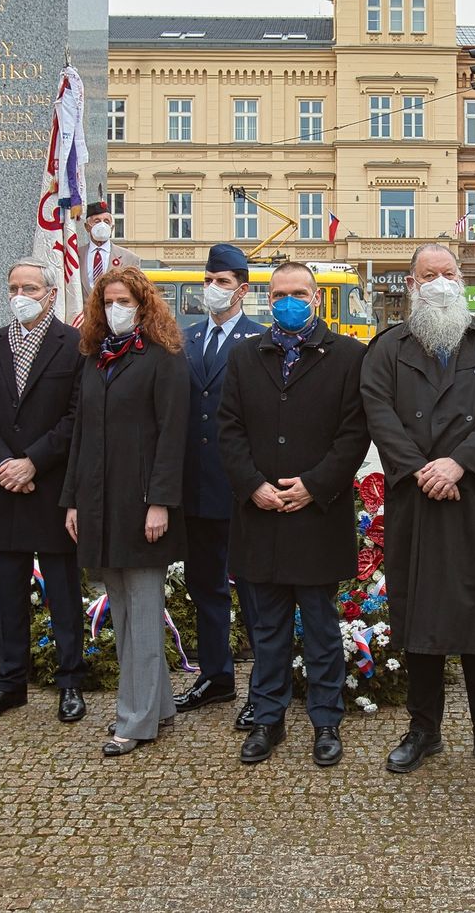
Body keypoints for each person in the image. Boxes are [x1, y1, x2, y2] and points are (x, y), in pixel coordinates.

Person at [361, 243, 475, 781]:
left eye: (448, 273)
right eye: (428, 274)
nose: (439, 282)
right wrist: (422, 470)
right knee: (419, 618)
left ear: (462, 281)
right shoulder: (388, 348)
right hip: (415, 500)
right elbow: (378, 411)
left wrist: (457, 465)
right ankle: (423, 730)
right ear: (411, 284)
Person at [218, 262, 371, 766]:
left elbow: (354, 434)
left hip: (316, 516)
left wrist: (315, 485)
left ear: (317, 299)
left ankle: (327, 720)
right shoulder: (245, 356)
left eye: (299, 293)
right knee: (266, 629)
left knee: (322, 627)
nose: (289, 301)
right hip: (260, 514)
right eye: (280, 293)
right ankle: (267, 718)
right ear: (267, 299)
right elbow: (230, 430)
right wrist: (252, 486)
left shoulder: (349, 355)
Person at [61, 266, 189, 757]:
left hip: (142, 506)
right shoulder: (95, 360)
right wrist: (71, 499)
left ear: (143, 306)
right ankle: (156, 706)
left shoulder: (165, 358)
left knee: (141, 610)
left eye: (125, 302)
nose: (116, 309)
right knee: (126, 613)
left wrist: (160, 502)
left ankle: (133, 721)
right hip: (98, 504)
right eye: (108, 301)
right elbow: (80, 435)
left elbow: (172, 436)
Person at [0, 258, 88, 726]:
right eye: (14, 285)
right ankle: (9, 684)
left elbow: (76, 417)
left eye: (30, 287)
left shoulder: (75, 346)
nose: (20, 294)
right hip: (3, 488)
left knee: (63, 591)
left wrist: (32, 461)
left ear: (51, 294)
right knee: (8, 594)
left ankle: (70, 681)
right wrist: (2, 464)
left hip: (51, 485)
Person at [175, 243, 266, 728]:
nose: (213, 289)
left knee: (252, 590)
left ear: (242, 289)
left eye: (223, 282)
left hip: (241, 488)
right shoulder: (183, 339)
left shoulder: (259, 341)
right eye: (208, 281)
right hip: (195, 489)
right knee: (204, 586)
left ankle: (264, 689)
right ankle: (216, 676)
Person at [80, 202, 141, 297]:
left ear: (112, 228)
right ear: (87, 227)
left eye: (106, 221)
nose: (102, 225)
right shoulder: (75, 256)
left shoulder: (129, 259)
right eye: (97, 221)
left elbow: (135, 293)